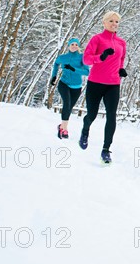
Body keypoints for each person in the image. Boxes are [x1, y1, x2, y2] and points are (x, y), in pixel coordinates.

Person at [79, 11, 127, 164]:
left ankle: (106, 150)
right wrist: (101, 57)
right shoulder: (97, 39)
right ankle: (85, 130)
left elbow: (121, 60)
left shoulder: (121, 43)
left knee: (111, 116)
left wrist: (120, 69)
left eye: (117, 22)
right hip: (96, 83)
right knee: (91, 115)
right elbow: (86, 59)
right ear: (104, 23)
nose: (114, 24)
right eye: (111, 21)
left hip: (113, 84)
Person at [50, 38, 90, 139]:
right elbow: (56, 64)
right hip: (64, 84)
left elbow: (87, 72)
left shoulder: (82, 57)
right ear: (68, 45)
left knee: (69, 108)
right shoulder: (63, 57)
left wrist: (73, 69)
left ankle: (61, 126)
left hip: (77, 87)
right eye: (72, 44)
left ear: (78, 46)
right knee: (66, 104)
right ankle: (64, 129)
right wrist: (54, 76)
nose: (74, 46)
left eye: (76, 44)